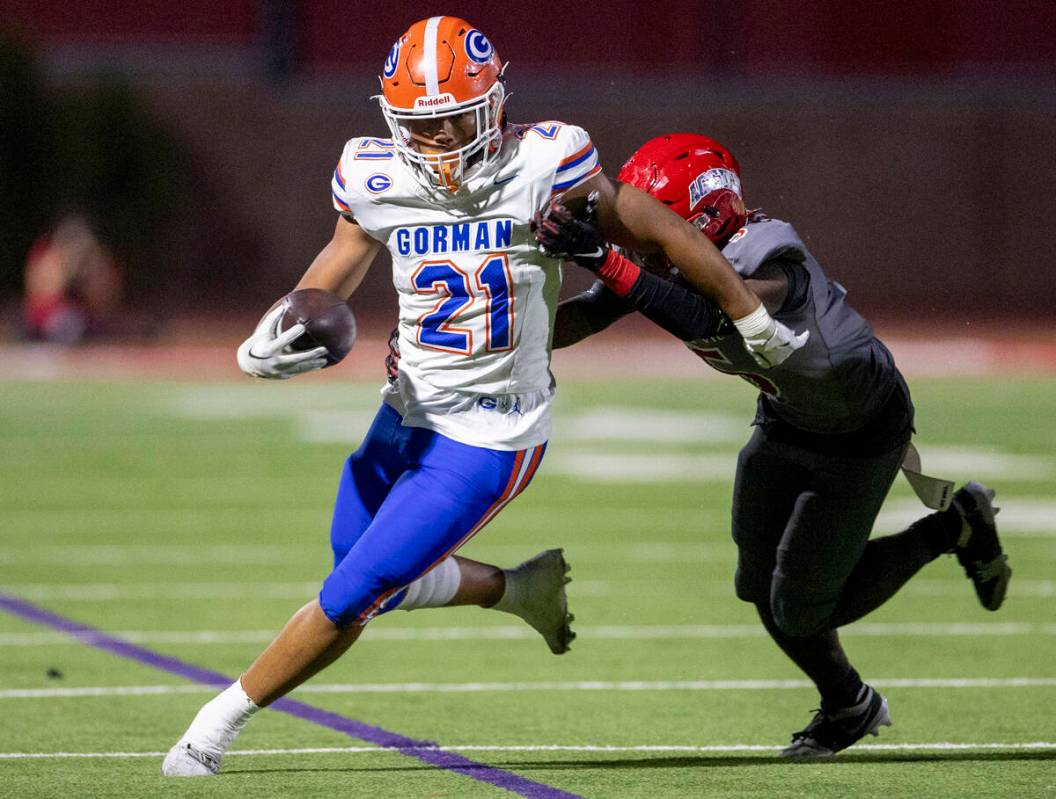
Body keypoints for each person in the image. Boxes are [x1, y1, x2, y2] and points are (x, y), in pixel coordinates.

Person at [162, 19, 805, 777]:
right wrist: (280, 324)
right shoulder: (376, 173)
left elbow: (657, 230)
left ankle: (211, 726)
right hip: (407, 407)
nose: (437, 145)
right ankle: (517, 588)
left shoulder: (548, 162)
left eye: (454, 123)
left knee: (353, 590)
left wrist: (748, 312)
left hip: (493, 434)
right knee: (365, 565)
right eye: (420, 128)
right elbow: (338, 258)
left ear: (495, 106)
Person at [534, 133, 1012, 759]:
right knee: (757, 583)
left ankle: (952, 529)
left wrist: (605, 257)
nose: (639, 231)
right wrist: (496, 333)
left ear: (698, 214)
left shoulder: (769, 250)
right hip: (787, 416)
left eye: (656, 218)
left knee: (800, 608)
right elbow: (594, 314)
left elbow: (723, 311)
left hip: (859, 427)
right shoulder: (666, 257)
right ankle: (850, 704)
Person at [22, 213, 123, 344]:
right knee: (67, 321)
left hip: (87, 320)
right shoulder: (48, 258)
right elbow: (39, 296)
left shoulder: (96, 261)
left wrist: (87, 279)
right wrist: (65, 275)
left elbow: (106, 300)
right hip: (49, 319)